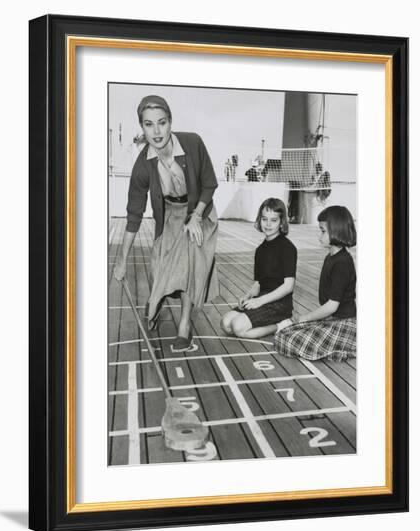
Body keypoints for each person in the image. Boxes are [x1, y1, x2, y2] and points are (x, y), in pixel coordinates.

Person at [113, 95, 219, 351]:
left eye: (162, 122)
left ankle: (184, 324)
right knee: (160, 266)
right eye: (149, 124)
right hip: (170, 214)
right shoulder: (142, 166)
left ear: (170, 122)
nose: (156, 131)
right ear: (142, 127)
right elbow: (134, 215)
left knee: (190, 259)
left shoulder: (192, 143)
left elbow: (209, 183)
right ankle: (157, 297)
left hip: (200, 212)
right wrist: (121, 260)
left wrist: (195, 217)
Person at [274, 205, 356, 361]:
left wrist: (307, 317)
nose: (319, 236)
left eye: (323, 231)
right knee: (283, 335)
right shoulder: (331, 257)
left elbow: (332, 306)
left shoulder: (343, 262)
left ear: (337, 230)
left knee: (288, 342)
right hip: (331, 320)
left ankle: (348, 347)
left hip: (343, 323)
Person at [220, 198, 297, 339]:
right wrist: (248, 296)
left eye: (273, 220)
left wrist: (258, 302)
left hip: (279, 305)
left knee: (238, 327)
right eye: (264, 219)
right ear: (259, 220)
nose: (268, 224)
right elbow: (258, 284)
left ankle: (281, 325)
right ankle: (265, 320)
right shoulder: (260, 250)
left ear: (281, 222)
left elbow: (288, 286)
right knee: (225, 324)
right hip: (262, 299)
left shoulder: (287, 248)